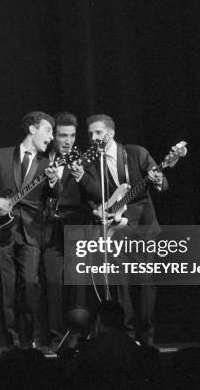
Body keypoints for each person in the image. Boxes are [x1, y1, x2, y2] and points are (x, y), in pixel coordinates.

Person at [82, 114, 168, 346]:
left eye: (97, 133)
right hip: (116, 227)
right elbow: (91, 195)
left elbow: (162, 181)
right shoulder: (91, 162)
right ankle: (127, 335)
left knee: (145, 280)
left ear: (110, 134)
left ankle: (146, 335)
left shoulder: (136, 153)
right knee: (121, 282)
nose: (93, 138)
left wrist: (157, 179)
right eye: (90, 134)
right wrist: (97, 210)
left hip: (143, 226)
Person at [0, 111, 59, 348]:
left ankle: (30, 340)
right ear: (32, 129)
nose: (51, 137)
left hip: (31, 231)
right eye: (48, 130)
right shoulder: (1, 156)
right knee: (7, 286)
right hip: (2, 231)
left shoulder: (46, 164)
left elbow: (55, 194)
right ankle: (10, 341)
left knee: (31, 284)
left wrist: (53, 181)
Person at [40, 112, 94, 349]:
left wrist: (82, 177)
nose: (68, 140)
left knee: (77, 284)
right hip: (50, 229)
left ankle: (77, 336)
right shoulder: (41, 160)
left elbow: (97, 194)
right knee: (53, 283)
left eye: (72, 136)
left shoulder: (84, 160)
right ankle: (55, 336)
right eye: (63, 135)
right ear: (53, 136)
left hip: (76, 227)